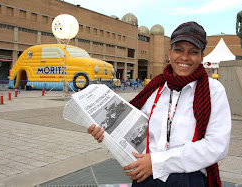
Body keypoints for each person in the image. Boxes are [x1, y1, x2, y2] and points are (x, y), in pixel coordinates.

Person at [88, 21, 231, 187]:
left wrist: (157, 163)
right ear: (169, 52)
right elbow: (133, 127)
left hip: (187, 178)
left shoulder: (213, 91)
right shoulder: (155, 87)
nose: (185, 57)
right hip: (145, 177)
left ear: (201, 57)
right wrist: (106, 133)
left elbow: (216, 146)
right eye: (179, 50)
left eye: (193, 52)